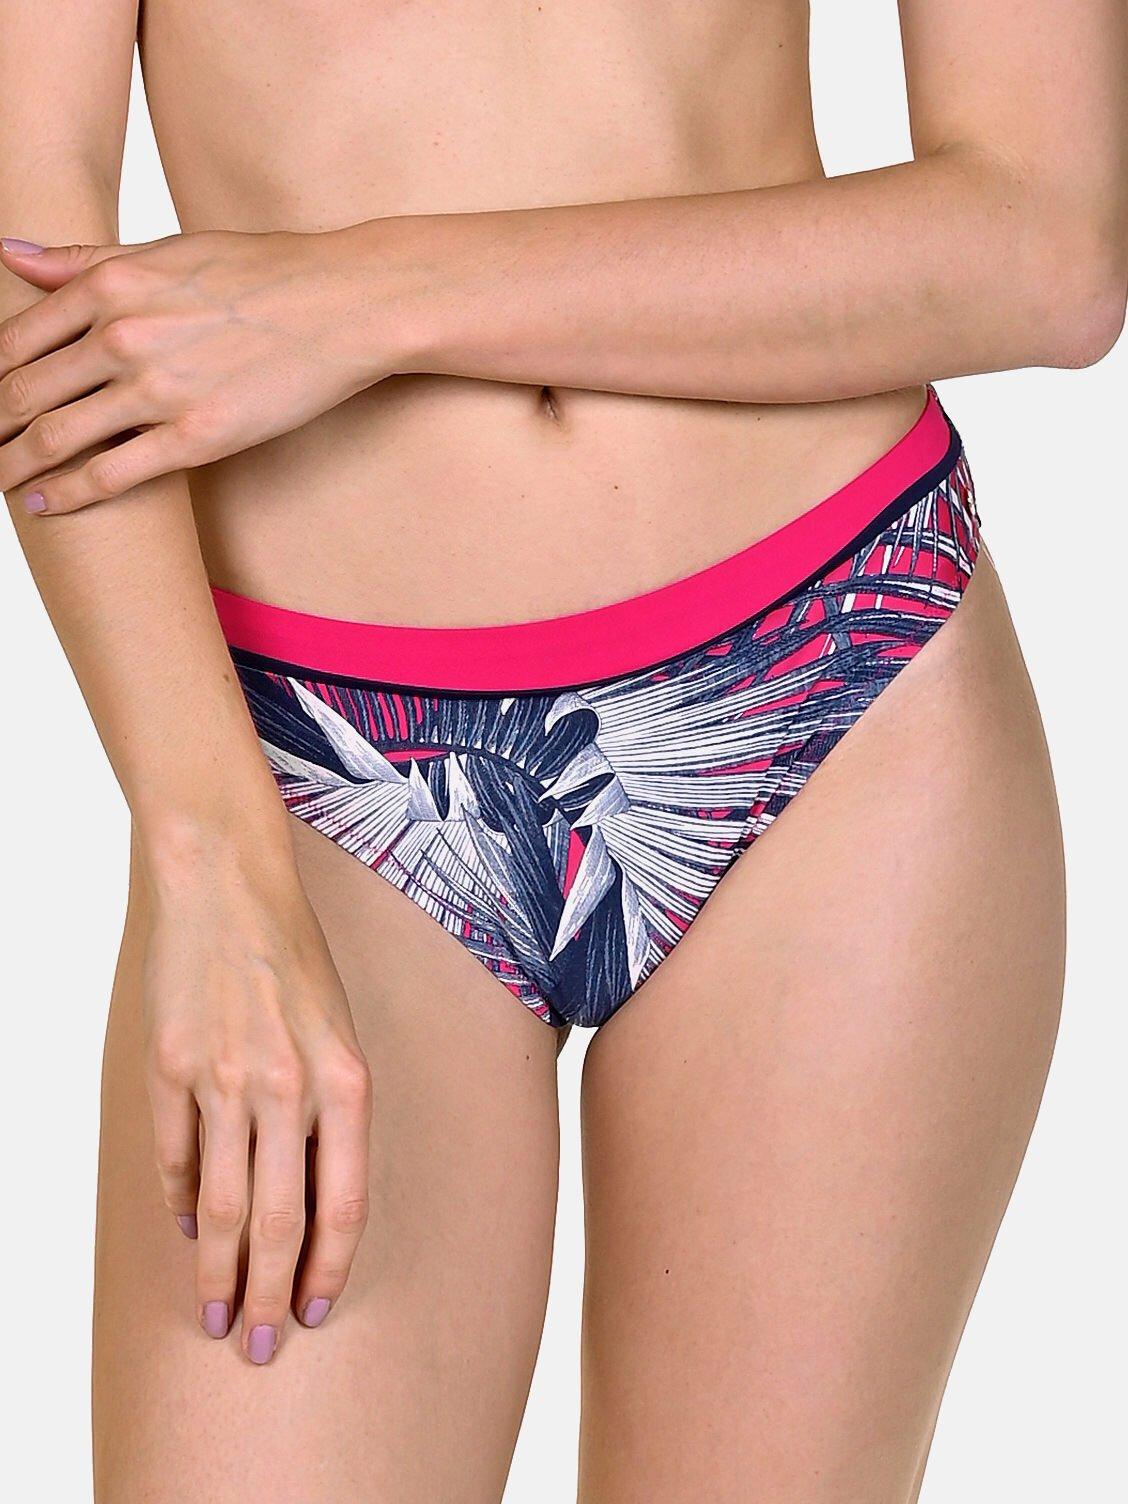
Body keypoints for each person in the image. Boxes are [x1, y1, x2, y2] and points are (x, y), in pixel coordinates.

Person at [1, 2, 1123, 1500]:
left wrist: (362, 298)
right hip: (318, 778)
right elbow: (25, 235)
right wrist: (204, 852)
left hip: (831, 684)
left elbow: (1045, 244)